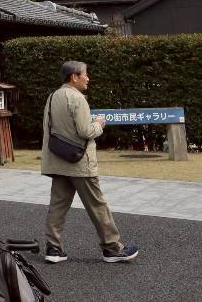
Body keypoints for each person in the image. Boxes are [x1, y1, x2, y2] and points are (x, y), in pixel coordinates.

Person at [41, 60, 139, 264]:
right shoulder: (78, 98)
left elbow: (48, 129)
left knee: (57, 207)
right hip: (80, 163)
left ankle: (53, 249)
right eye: (85, 74)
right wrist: (99, 124)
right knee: (97, 205)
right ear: (74, 77)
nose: (88, 78)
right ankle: (112, 249)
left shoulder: (53, 97)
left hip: (58, 160)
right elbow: (86, 131)